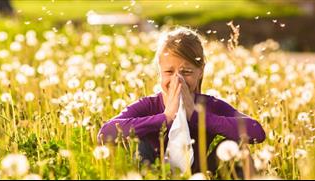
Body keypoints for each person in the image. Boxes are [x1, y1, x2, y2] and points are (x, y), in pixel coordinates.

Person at [97, 26, 266, 175]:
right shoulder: (149, 105)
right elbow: (105, 134)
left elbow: (256, 132)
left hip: (200, 175)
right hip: (153, 173)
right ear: (160, 72)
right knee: (136, 145)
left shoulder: (208, 105)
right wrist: (165, 118)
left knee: (238, 147)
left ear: (200, 71)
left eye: (186, 72)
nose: (178, 80)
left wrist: (197, 116)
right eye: (169, 72)